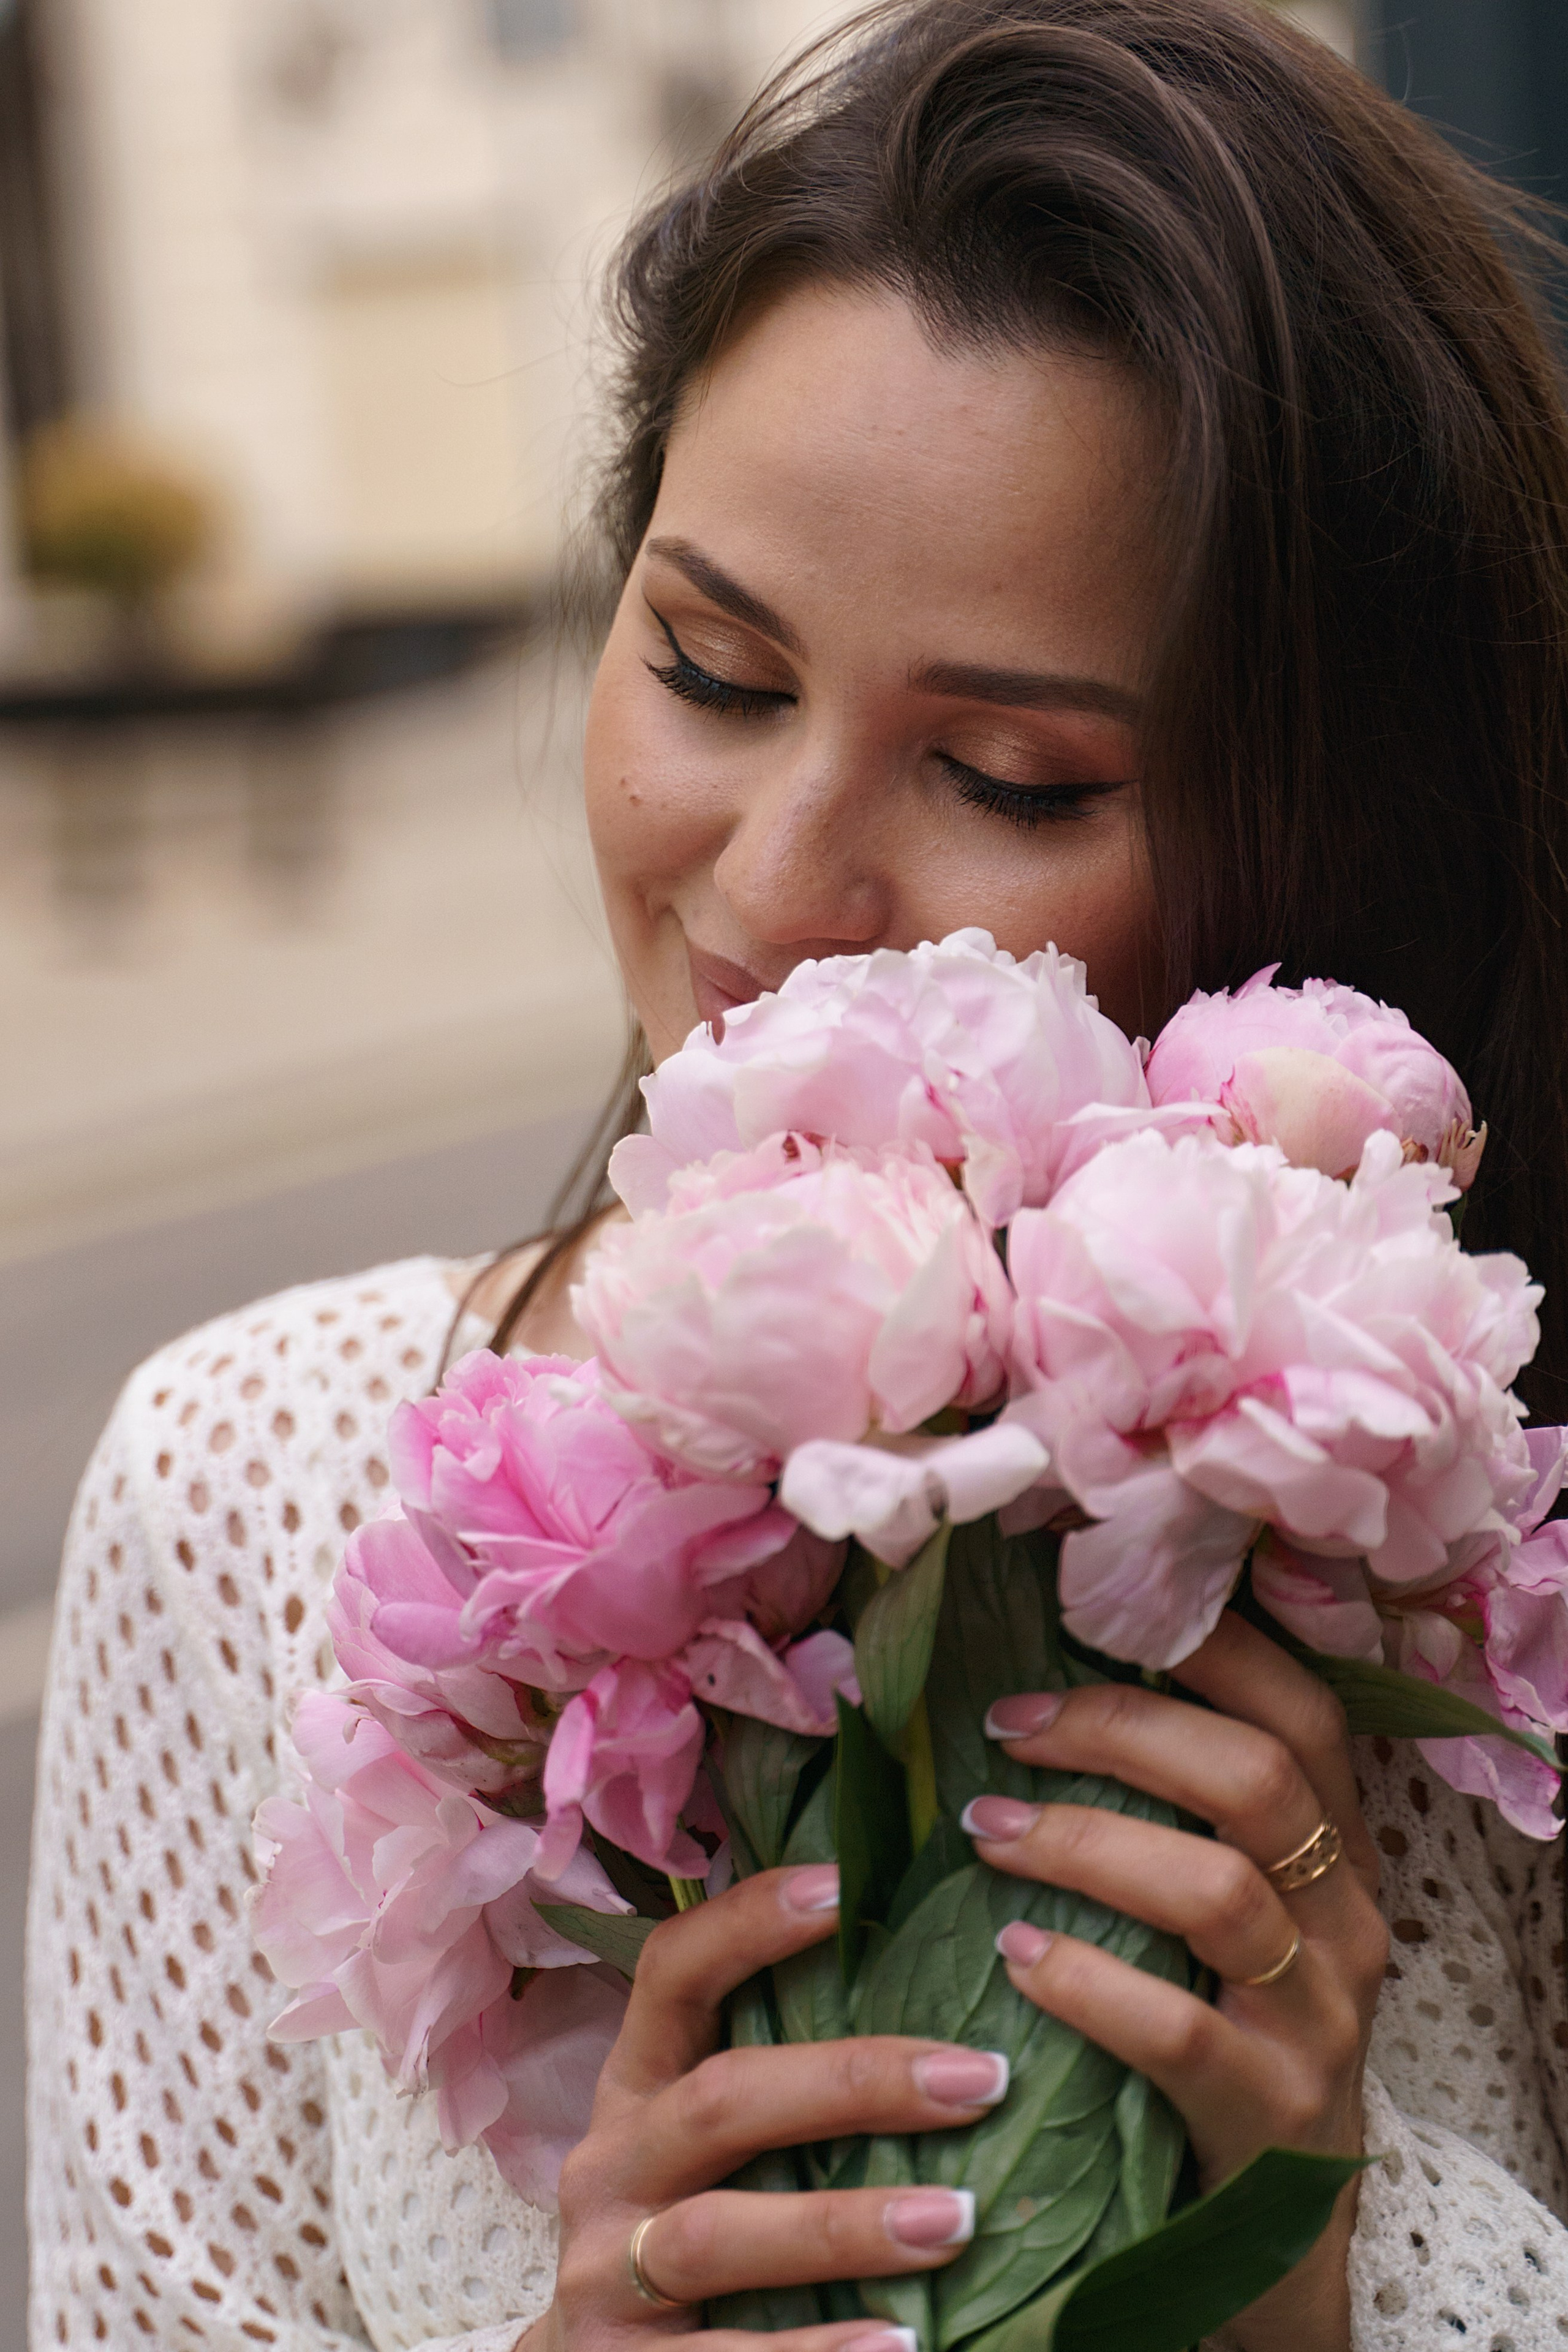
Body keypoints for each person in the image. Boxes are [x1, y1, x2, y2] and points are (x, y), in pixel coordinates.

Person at [26, 2, 1568, 2346]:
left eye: (1015, 775)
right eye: (716, 672)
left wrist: (1325, 2285)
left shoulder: (1486, 1571)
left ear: (1330, 835)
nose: (775, 878)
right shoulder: (245, 1490)